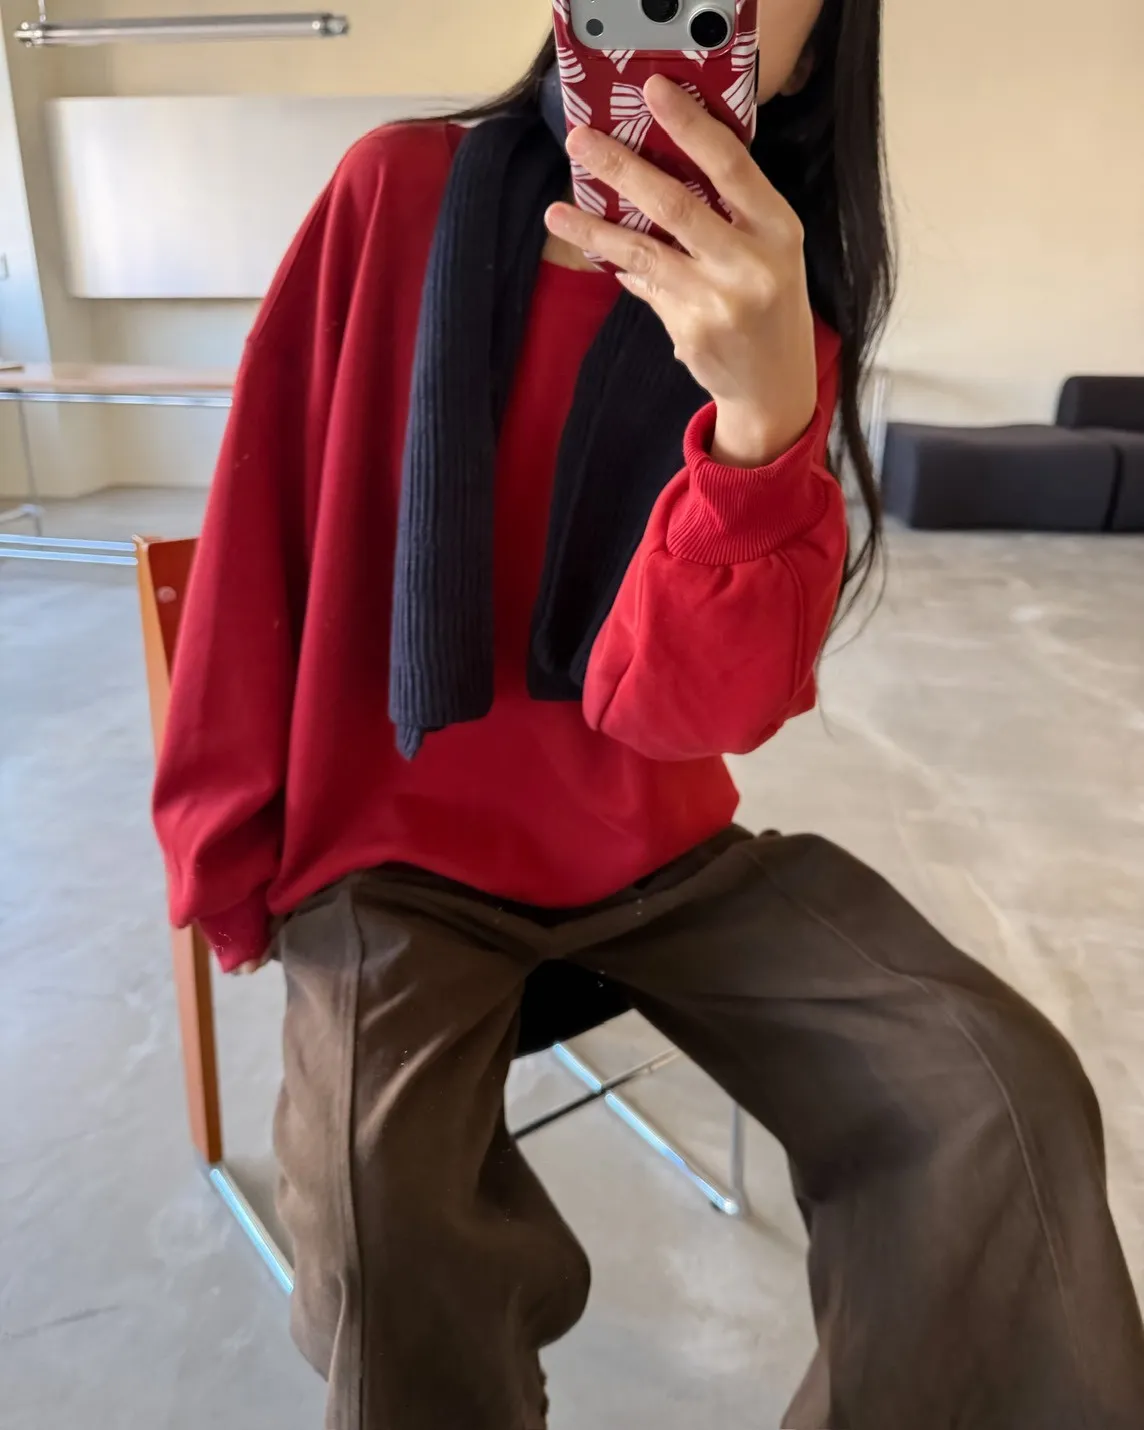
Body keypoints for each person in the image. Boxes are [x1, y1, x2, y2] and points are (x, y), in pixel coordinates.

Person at [153, 2, 1144, 1427]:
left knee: (993, 1092)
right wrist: (223, 843)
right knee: (382, 1206)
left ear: (811, 53)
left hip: (656, 854)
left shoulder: (780, 315)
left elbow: (691, 716)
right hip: (391, 851)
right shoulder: (396, 190)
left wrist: (760, 429)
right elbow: (261, 533)